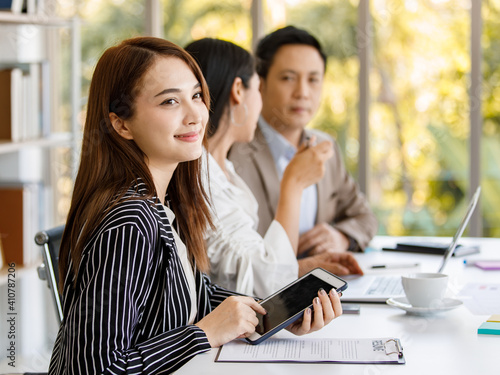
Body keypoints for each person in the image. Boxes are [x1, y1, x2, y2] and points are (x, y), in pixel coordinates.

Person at [49, 37, 343, 375]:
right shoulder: (131, 220)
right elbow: (97, 369)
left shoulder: (163, 204)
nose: (195, 115)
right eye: (170, 101)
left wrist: (267, 317)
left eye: (197, 96)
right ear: (121, 124)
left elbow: (194, 295)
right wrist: (204, 333)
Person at [185, 38, 363, 298]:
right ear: (238, 90)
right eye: (257, 89)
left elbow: (235, 271)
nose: (302, 92)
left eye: (313, 79)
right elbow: (271, 285)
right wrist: (294, 183)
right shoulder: (202, 174)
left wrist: (302, 267)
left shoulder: (224, 170)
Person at [229, 26, 378, 257]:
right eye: (288, 78)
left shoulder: (325, 147)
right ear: (261, 83)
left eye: (313, 79)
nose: (303, 92)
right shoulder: (233, 151)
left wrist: (341, 237)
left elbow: (365, 217)